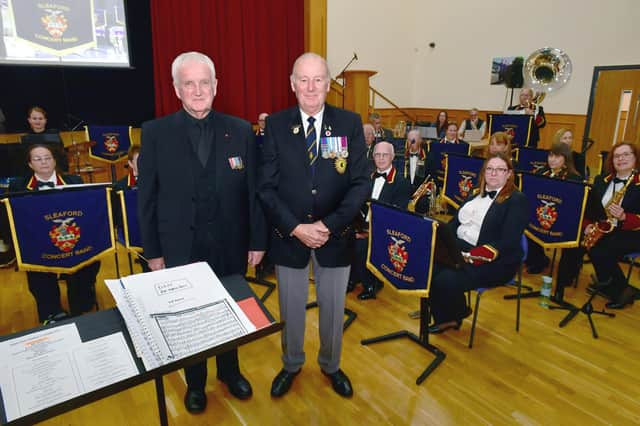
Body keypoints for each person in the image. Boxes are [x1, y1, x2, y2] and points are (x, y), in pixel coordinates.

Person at [137, 51, 266, 413]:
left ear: (216, 86)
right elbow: (146, 199)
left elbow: (253, 192)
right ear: (176, 89)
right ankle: (196, 383)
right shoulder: (155, 133)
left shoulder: (240, 130)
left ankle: (230, 371)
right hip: (181, 245)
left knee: (230, 310)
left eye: (204, 82)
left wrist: (257, 241)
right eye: (188, 83)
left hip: (231, 244)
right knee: (191, 317)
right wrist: (154, 252)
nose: (197, 90)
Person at [259, 52, 369, 398]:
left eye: (318, 79)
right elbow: (266, 186)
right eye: (303, 80)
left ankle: (331, 365)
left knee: (334, 309)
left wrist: (329, 225)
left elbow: (361, 183)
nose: (310, 87)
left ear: (328, 83)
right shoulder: (276, 125)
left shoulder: (350, 123)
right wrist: (296, 227)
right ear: (292, 84)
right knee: (290, 307)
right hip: (289, 236)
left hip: (334, 236)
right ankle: (291, 363)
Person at [428, 153, 528, 333]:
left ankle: (450, 316)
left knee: (444, 279)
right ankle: (452, 314)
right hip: (461, 248)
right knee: (428, 269)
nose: (494, 173)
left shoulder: (516, 200)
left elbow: (509, 241)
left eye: (500, 170)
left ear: (509, 174)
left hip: (495, 260)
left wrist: (472, 256)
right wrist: (441, 241)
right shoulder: (475, 193)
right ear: (484, 173)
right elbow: (454, 223)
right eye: (490, 169)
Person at [8, 144, 100, 324]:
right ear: (30, 164)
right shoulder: (18, 186)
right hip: (39, 241)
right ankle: (51, 312)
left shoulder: (74, 181)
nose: (44, 162)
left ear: (55, 160)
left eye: (48, 157)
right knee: (36, 268)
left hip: (70, 238)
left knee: (88, 259)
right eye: (38, 159)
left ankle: (81, 305)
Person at [559, 142, 640, 309]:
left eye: (626, 154)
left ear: (635, 158)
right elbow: (589, 208)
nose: (621, 159)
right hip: (604, 226)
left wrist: (625, 216)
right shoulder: (601, 180)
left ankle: (620, 290)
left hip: (632, 231)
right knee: (575, 234)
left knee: (601, 247)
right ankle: (565, 279)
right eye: (617, 156)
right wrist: (588, 226)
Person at [351, 141, 410, 300]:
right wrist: (356, 227)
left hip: (385, 229)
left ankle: (371, 284)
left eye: (385, 155)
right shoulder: (367, 177)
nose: (381, 158)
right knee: (342, 236)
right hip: (363, 224)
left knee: (361, 245)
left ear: (392, 157)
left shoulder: (401, 183)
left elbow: (397, 216)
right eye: (377, 154)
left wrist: (369, 233)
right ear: (373, 157)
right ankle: (353, 277)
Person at [525, 143, 582, 285]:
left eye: (557, 156)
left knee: (574, 230)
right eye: (551, 155)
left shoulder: (575, 179)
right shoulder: (540, 174)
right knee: (528, 221)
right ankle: (538, 260)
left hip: (563, 219)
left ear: (566, 159)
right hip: (543, 216)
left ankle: (567, 273)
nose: (552, 160)